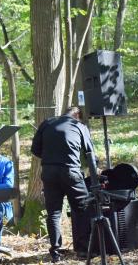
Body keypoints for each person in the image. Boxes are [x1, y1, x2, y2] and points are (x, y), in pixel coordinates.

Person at [30, 106, 93, 263]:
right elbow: (89, 152)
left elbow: (35, 149)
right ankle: (83, 249)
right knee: (82, 209)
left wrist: (51, 158)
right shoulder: (79, 126)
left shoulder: (47, 123)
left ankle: (56, 251)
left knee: (54, 213)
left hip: (49, 173)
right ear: (77, 115)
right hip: (71, 171)